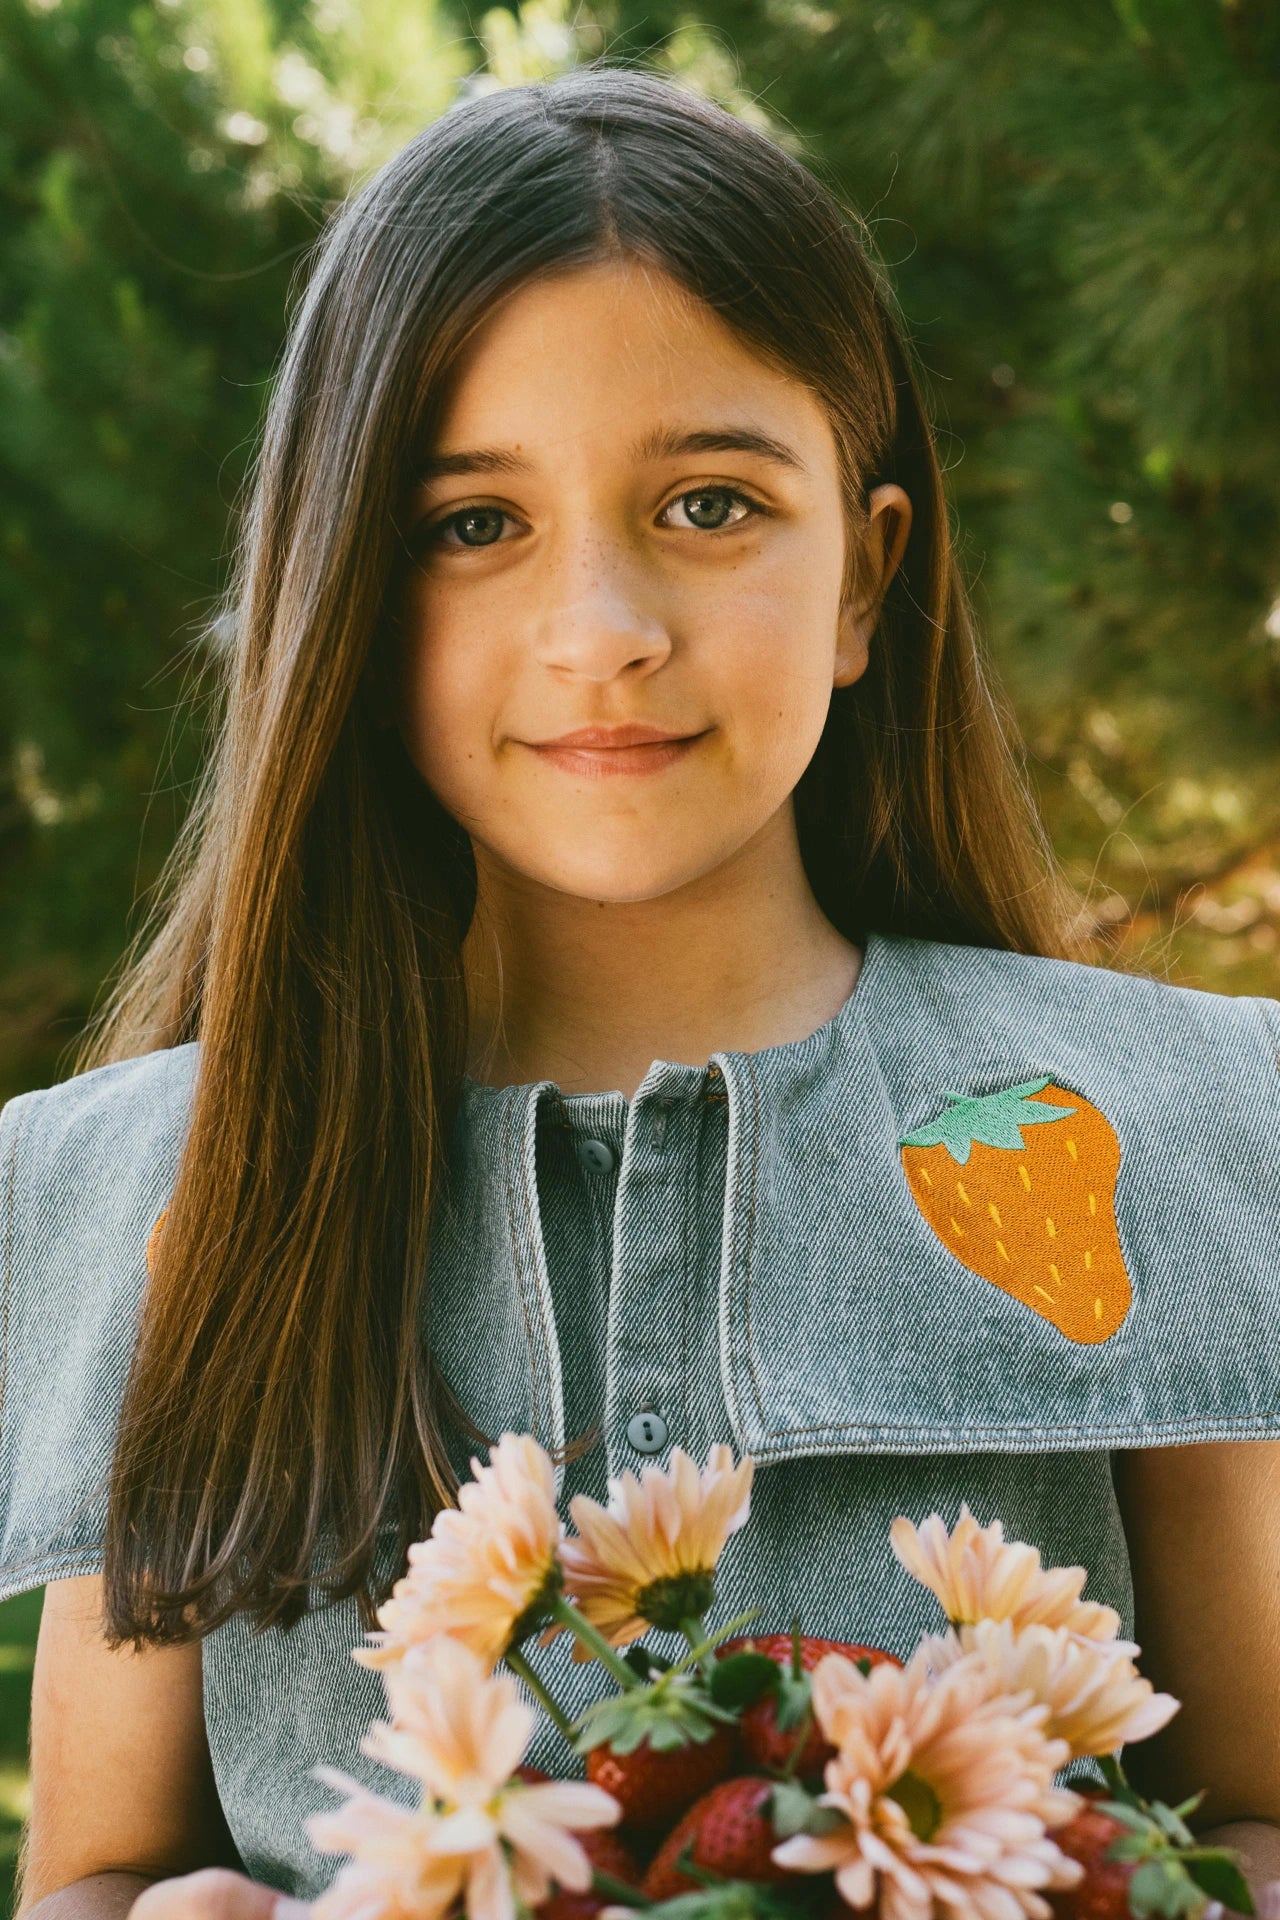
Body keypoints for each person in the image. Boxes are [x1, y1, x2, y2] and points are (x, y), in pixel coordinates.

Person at [2, 62, 1277, 1920]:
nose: (601, 625)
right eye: (470, 525)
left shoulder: (1158, 1139)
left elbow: (1256, 1814)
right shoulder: (170, 1208)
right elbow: (99, 1876)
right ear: (339, 599)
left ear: (866, 577)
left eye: (708, 505)